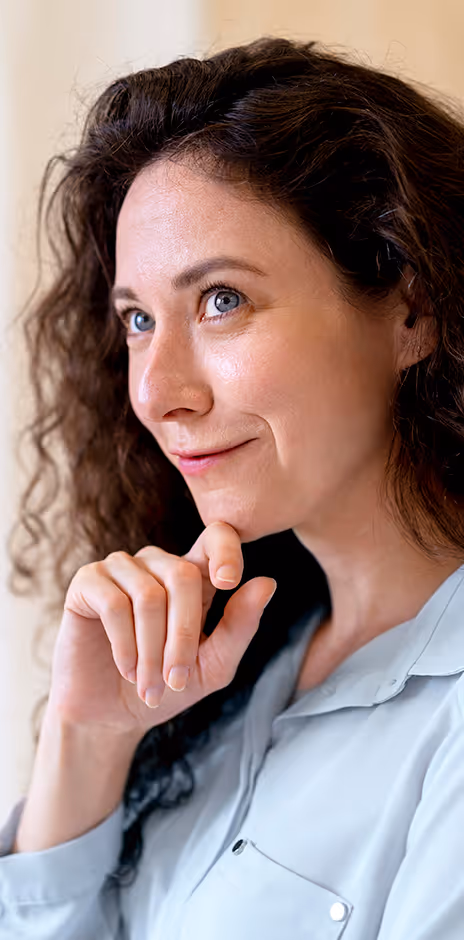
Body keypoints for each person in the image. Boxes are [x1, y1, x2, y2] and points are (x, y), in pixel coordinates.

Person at [0, 34, 464, 939]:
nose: (156, 392)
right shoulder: (230, 678)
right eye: (137, 319)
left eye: (222, 300)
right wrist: (88, 744)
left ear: (411, 308)